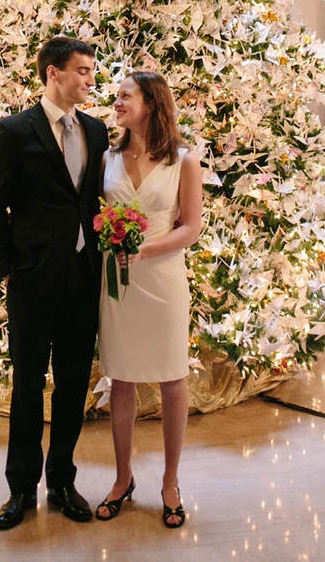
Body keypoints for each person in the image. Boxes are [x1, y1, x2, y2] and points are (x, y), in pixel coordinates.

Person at [0, 36, 109, 530]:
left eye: (91, 70)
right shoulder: (14, 131)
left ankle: (61, 481)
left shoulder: (96, 131)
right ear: (53, 73)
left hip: (83, 276)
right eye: (81, 71)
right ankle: (20, 490)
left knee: (74, 382)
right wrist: (8, 266)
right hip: (32, 279)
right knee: (28, 384)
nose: (90, 79)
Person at [95, 71, 203, 529]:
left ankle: (171, 481)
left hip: (162, 279)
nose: (116, 102)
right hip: (116, 283)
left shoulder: (184, 160)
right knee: (121, 378)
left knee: (171, 378)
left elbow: (191, 226)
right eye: (116, 96)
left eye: (125, 96)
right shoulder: (107, 157)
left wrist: (146, 248)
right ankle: (123, 478)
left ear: (152, 104)